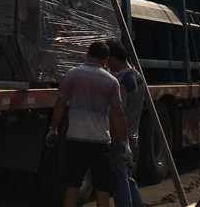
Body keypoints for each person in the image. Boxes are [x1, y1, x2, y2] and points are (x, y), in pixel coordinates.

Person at [46, 41, 134, 207]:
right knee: (102, 190)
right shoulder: (111, 81)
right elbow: (118, 113)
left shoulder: (72, 75)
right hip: (101, 143)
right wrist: (124, 142)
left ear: (87, 55)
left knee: (72, 187)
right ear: (106, 60)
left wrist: (53, 129)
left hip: (75, 140)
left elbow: (60, 104)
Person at [106, 39, 145, 207]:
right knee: (127, 177)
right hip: (133, 134)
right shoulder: (137, 75)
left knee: (120, 179)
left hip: (121, 137)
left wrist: (113, 137)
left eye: (108, 60)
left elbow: (118, 112)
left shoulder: (120, 81)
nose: (107, 65)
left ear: (113, 59)